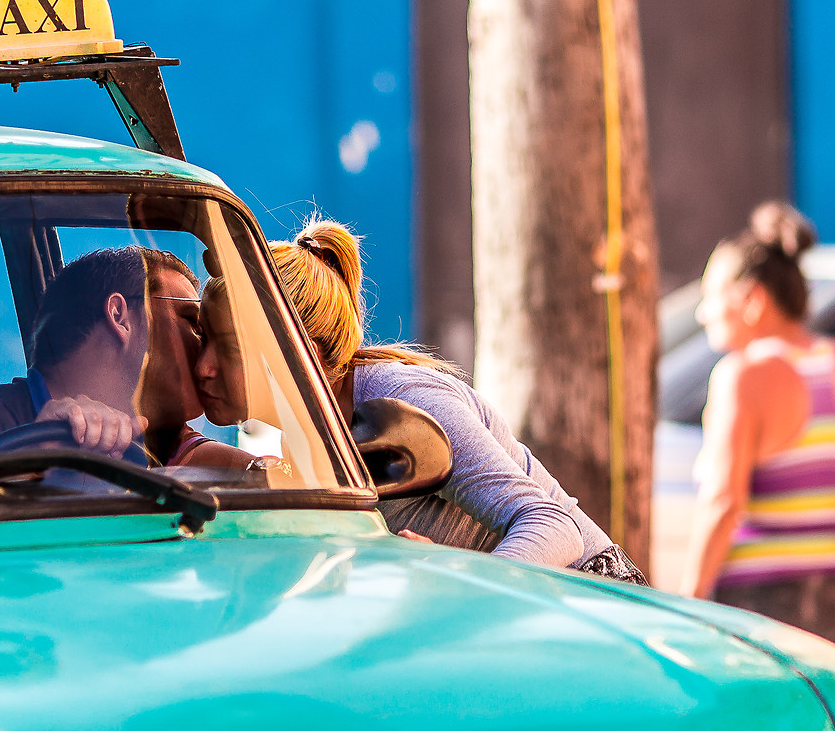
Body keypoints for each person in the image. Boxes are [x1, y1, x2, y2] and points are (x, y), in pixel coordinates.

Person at [267, 218, 641, 579]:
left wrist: (463, 587)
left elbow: (553, 527)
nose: (206, 363)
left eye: (227, 339)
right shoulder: (304, 432)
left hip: (596, 596)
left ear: (299, 354)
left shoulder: (402, 396)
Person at [679, 203, 835, 656]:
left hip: (761, 606)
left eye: (711, 296)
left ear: (752, 300)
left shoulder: (742, 375)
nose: (702, 313)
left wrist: (685, 604)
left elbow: (724, 502)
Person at [0, 246, 241, 475]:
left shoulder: (166, 441)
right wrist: (33, 464)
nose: (204, 349)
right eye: (193, 322)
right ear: (120, 315)